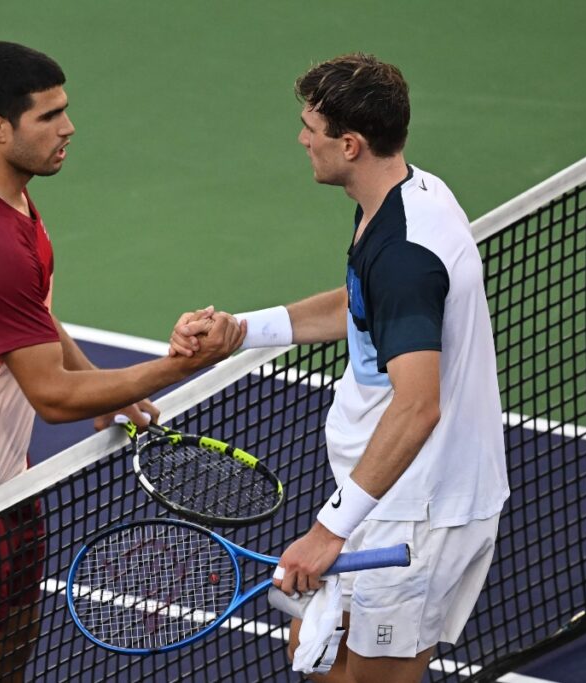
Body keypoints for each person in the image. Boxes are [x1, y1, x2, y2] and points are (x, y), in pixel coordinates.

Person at [0, 41, 245, 683]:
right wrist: (178, 366)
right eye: (49, 116)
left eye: (65, 111)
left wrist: (103, 389)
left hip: (8, 482)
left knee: (11, 647)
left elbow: (34, 315)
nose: (68, 128)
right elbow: (51, 398)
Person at [171, 53, 509, 683]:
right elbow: (360, 306)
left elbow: (418, 404)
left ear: (350, 145)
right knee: (310, 645)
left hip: (419, 509)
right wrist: (243, 330)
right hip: (380, 494)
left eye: (311, 127)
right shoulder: (404, 197)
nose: (302, 138)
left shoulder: (406, 254)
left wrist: (328, 531)